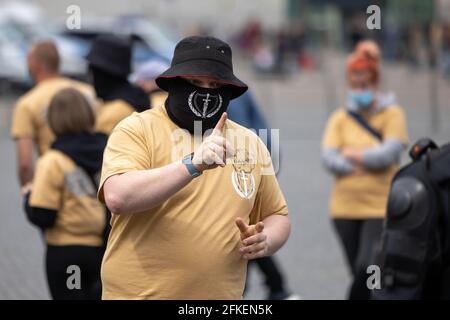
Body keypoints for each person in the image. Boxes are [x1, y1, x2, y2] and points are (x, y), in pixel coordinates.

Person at [98, 36, 291, 299]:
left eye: (215, 85)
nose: (206, 92)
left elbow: (277, 215)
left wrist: (266, 239)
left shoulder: (249, 142)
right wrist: (192, 165)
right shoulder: (137, 129)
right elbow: (118, 197)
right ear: (174, 84)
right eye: (195, 83)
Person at [321, 40, 409, 299]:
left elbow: (390, 153)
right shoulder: (339, 118)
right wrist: (364, 161)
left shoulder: (393, 114)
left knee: (368, 266)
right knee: (359, 272)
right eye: (355, 83)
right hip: (344, 208)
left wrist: (353, 155)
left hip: (379, 207)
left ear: (375, 82)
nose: (360, 88)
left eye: (365, 82)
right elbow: (328, 157)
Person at [23, 88, 107, 300]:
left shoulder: (52, 160)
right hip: (101, 251)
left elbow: (44, 215)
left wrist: (28, 197)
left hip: (67, 252)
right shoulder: (107, 151)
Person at [228, 91, 298, 300]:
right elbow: (263, 131)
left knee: (243, 232)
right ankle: (277, 287)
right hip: (256, 166)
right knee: (249, 232)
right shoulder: (240, 92)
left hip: (242, 170)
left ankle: (274, 288)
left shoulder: (227, 97)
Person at [11, 41, 95, 189]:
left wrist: (29, 193)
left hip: (55, 182)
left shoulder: (27, 103)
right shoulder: (88, 92)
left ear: (34, 63)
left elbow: (25, 164)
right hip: (94, 177)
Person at [86, 34, 150, 135]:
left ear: (104, 74)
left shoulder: (114, 112)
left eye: (94, 71)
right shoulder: (136, 97)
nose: (92, 78)